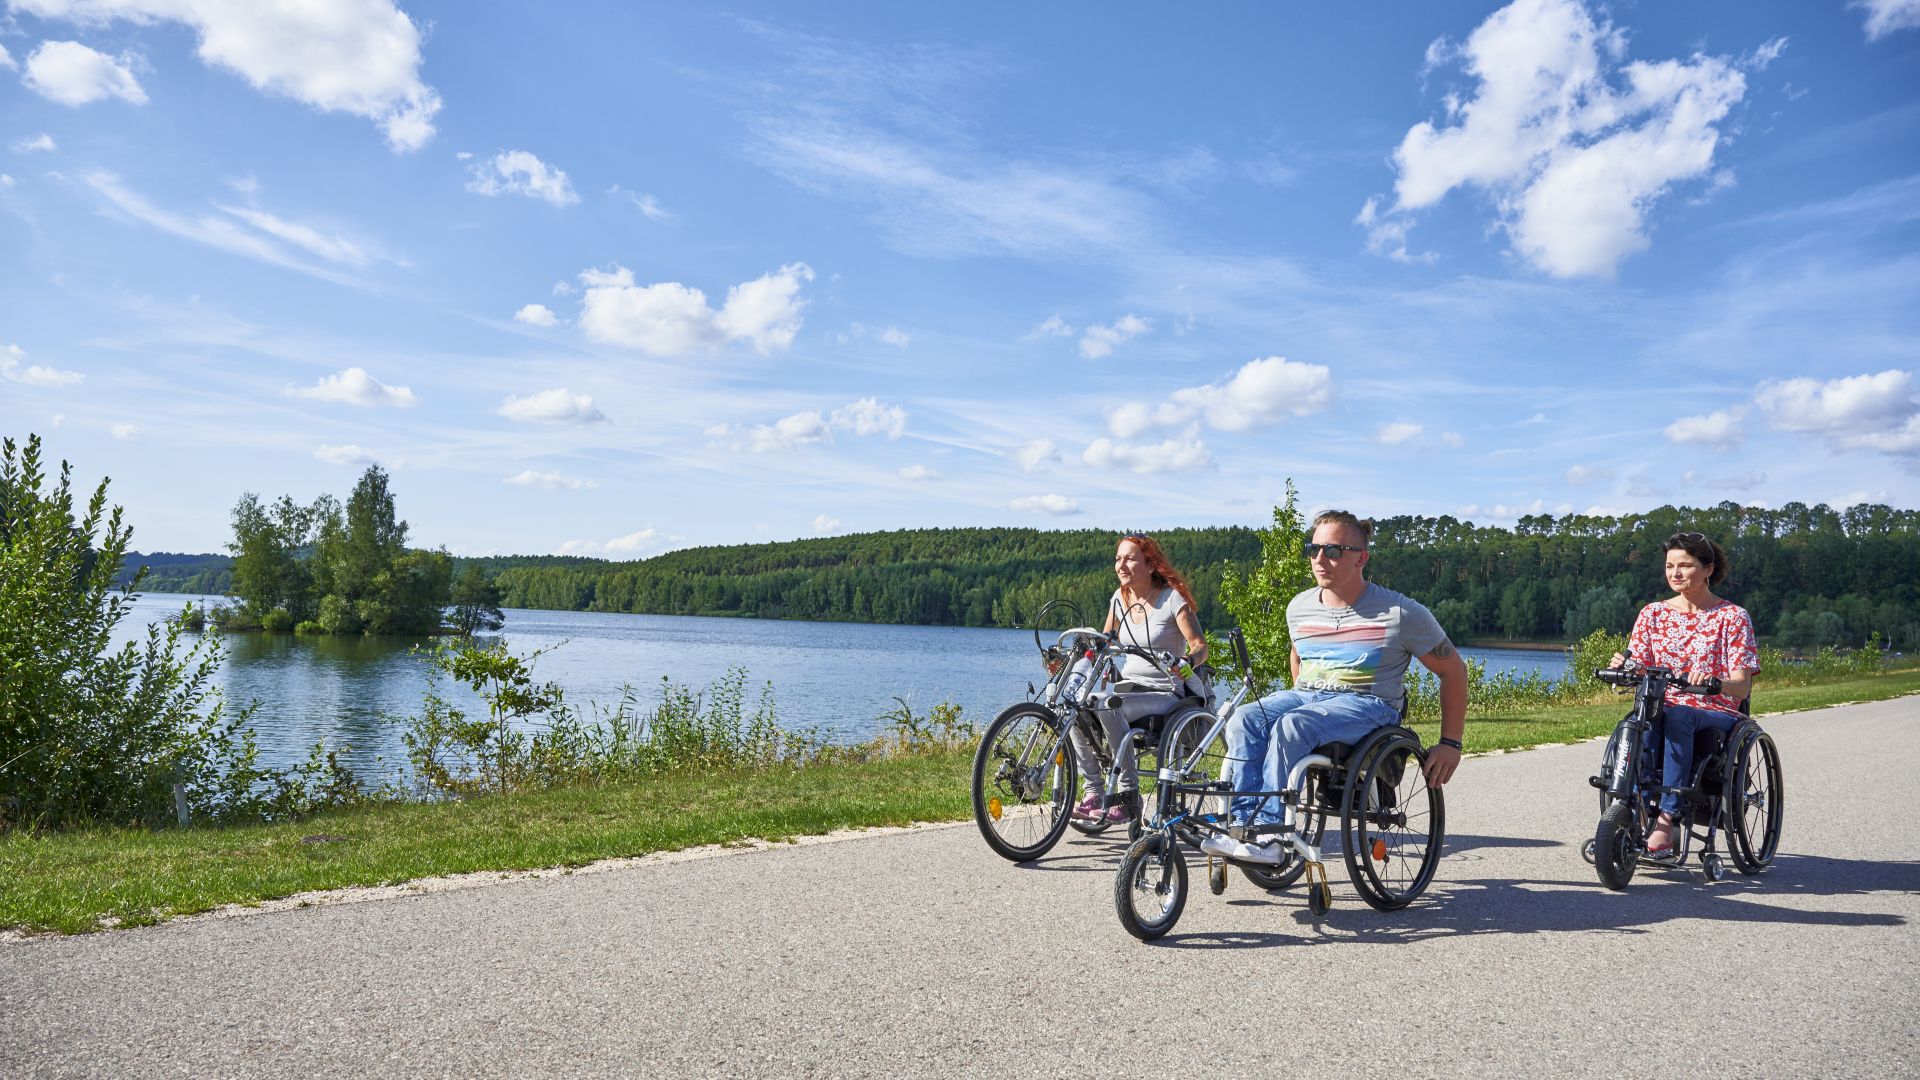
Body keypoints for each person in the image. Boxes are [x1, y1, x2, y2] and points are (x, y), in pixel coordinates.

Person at [1203, 510, 1468, 864]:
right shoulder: (1298, 607)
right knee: (1244, 718)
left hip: (1369, 704)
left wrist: (1450, 743)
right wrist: (1305, 698)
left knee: (1293, 725)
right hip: (1309, 695)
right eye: (1313, 550)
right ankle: (1242, 825)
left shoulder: (1400, 613)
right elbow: (1298, 656)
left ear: (1361, 557)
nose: (1319, 559)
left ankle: (1270, 835)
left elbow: (1454, 671)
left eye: (1333, 551)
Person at [1608, 530, 1759, 858]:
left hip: (1715, 707)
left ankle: (1668, 816)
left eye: (1685, 565)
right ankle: (1631, 804)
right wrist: (1626, 665)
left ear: (1708, 569)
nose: (1675, 573)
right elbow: (1639, 662)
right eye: (1669, 566)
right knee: (1637, 721)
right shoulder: (1653, 614)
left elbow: (1742, 685)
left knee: (1678, 715)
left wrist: (1715, 680)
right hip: (1662, 702)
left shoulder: (1732, 618)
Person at [1069, 532, 1209, 823]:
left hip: (1165, 692)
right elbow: (1104, 641)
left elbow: (1200, 646)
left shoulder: (1172, 599)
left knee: (1107, 704)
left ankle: (1129, 797)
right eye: (1118, 559)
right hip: (1128, 688)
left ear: (1150, 563)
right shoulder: (1119, 600)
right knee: (1077, 706)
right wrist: (1080, 656)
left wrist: (1186, 662)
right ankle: (1093, 791)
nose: (1121, 565)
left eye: (1130, 558)